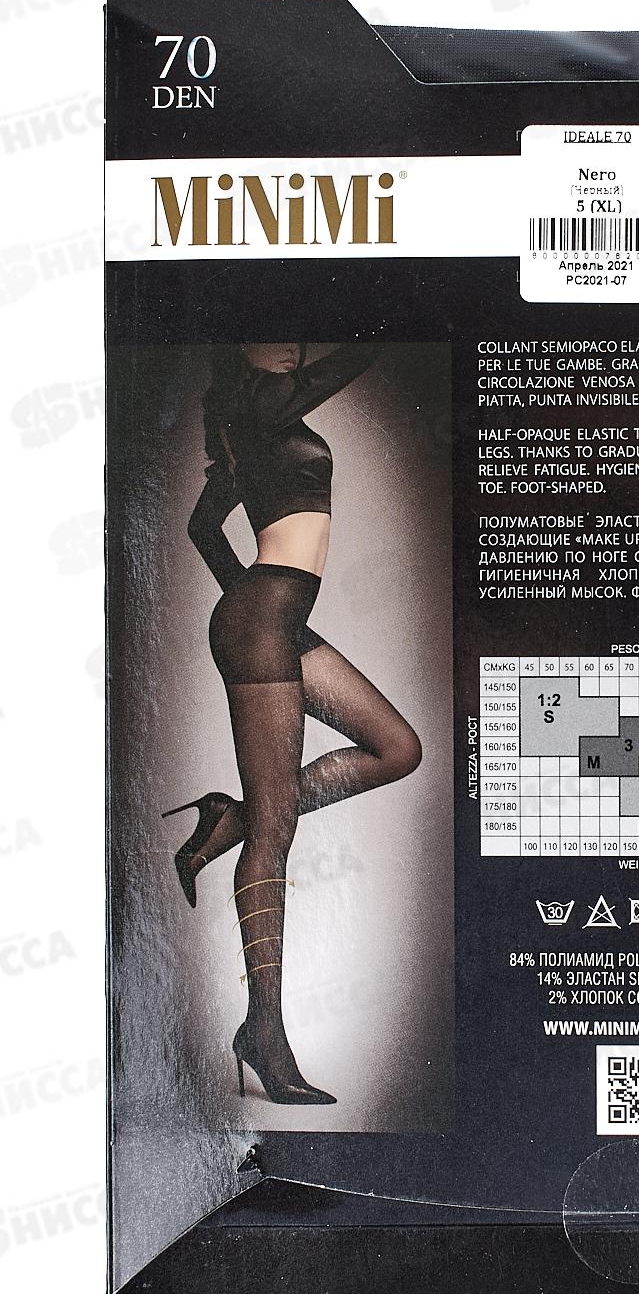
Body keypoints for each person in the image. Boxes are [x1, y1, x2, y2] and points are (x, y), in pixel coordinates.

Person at [164, 343, 421, 1104]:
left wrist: (255, 605)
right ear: (244, 354)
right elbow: (347, 364)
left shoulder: (253, 423)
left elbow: (203, 529)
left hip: (273, 622)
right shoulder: (265, 402)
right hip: (263, 625)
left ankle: (229, 818)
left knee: (396, 748)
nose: (289, 349)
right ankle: (264, 1034)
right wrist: (253, 612)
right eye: (273, 343)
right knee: (277, 835)